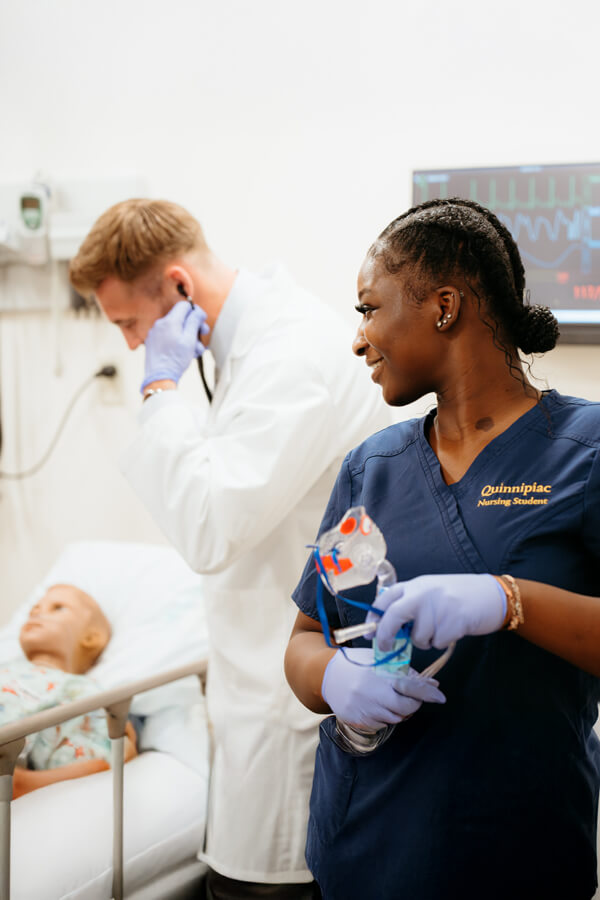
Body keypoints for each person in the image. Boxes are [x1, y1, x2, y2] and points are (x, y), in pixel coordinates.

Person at [68, 199, 389, 899]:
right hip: (260, 680)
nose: (130, 346)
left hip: (288, 707)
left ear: (179, 285)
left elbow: (211, 528)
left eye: (128, 324)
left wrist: (160, 391)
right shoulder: (251, 346)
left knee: (263, 885)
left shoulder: (290, 353)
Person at [285, 198, 600, 900]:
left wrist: (509, 601)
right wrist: (334, 680)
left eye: (369, 308)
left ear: (444, 307)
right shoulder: (372, 467)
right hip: (362, 846)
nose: (359, 338)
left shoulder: (585, 453)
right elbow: (306, 639)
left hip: (518, 856)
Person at [1, 583, 137, 800]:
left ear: (91, 637)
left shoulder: (81, 692)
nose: (37, 614)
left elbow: (100, 763)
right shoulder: (6, 666)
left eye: (58, 608)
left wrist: (124, 754)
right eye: (33, 610)